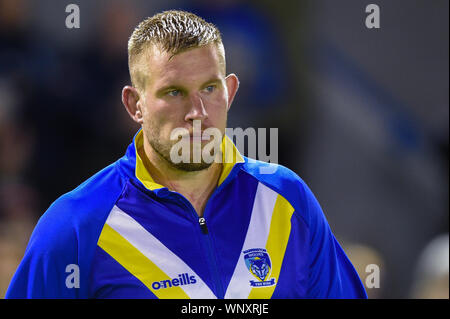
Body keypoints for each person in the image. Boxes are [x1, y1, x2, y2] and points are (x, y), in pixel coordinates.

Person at [6, 10, 367, 299]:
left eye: (209, 88)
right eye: (174, 92)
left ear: (230, 92)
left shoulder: (288, 202)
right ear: (135, 104)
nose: (197, 111)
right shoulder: (77, 224)